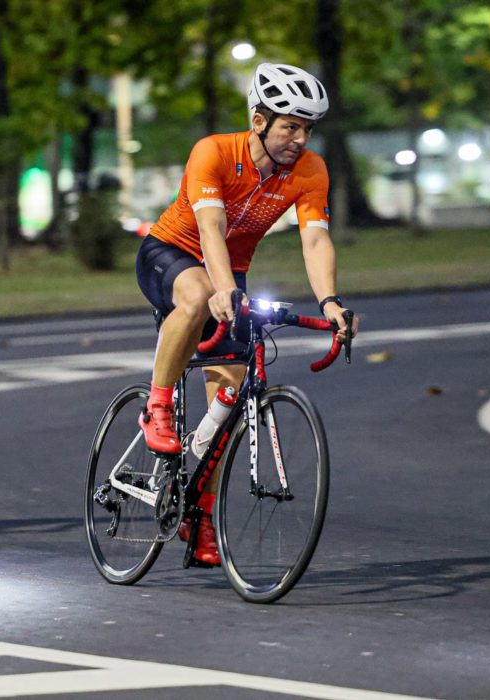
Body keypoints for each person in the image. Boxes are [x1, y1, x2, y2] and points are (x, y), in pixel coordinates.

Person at [134, 63, 356, 565]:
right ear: (259, 121)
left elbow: (315, 238)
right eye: (289, 127)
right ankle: (158, 406)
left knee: (230, 399)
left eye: (307, 129)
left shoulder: (310, 171)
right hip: (171, 253)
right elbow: (209, 227)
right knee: (195, 295)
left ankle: (201, 513)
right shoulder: (214, 151)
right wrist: (222, 290)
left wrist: (331, 302)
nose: (300, 139)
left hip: (229, 273)